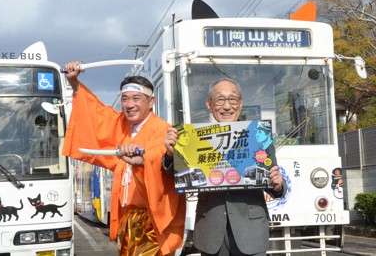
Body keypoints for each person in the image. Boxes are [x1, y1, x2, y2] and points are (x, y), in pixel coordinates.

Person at [62, 61, 186, 256]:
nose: (129, 105)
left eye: (136, 99)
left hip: (151, 218)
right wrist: (74, 82)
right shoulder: (122, 124)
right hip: (127, 216)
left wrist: (142, 158)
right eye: (125, 99)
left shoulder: (162, 129)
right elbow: (97, 114)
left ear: (151, 102)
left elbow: (158, 155)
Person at [163, 78, 286, 256]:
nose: (227, 106)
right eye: (220, 100)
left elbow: (274, 184)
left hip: (251, 232)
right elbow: (175, 176)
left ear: (240, 104)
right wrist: (169, 154)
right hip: (211, 232)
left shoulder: (258, 137)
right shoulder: (194, 139)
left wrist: (278, 184)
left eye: (233, 99)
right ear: (209, 104)